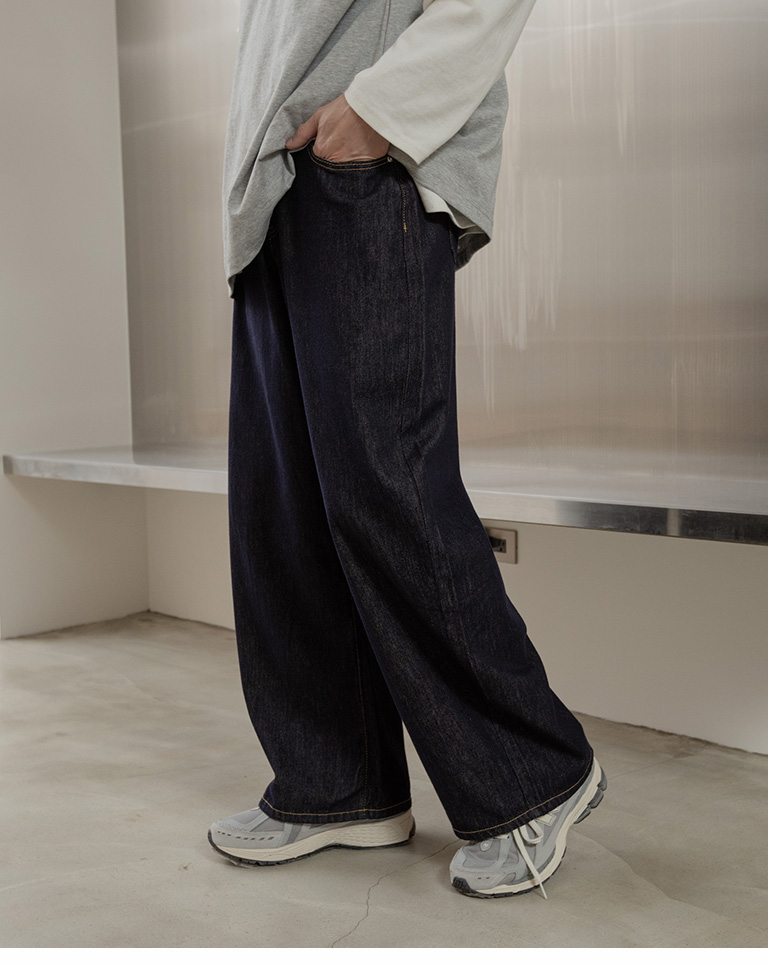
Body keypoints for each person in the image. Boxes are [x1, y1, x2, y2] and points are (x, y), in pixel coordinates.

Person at [208, 0, 605, 899]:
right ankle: (338, 785)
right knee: (285, 510)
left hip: (362, 166)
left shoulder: (367, 134)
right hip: (275, 184)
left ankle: (532, 777)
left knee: (388, 489)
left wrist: (375, 114)